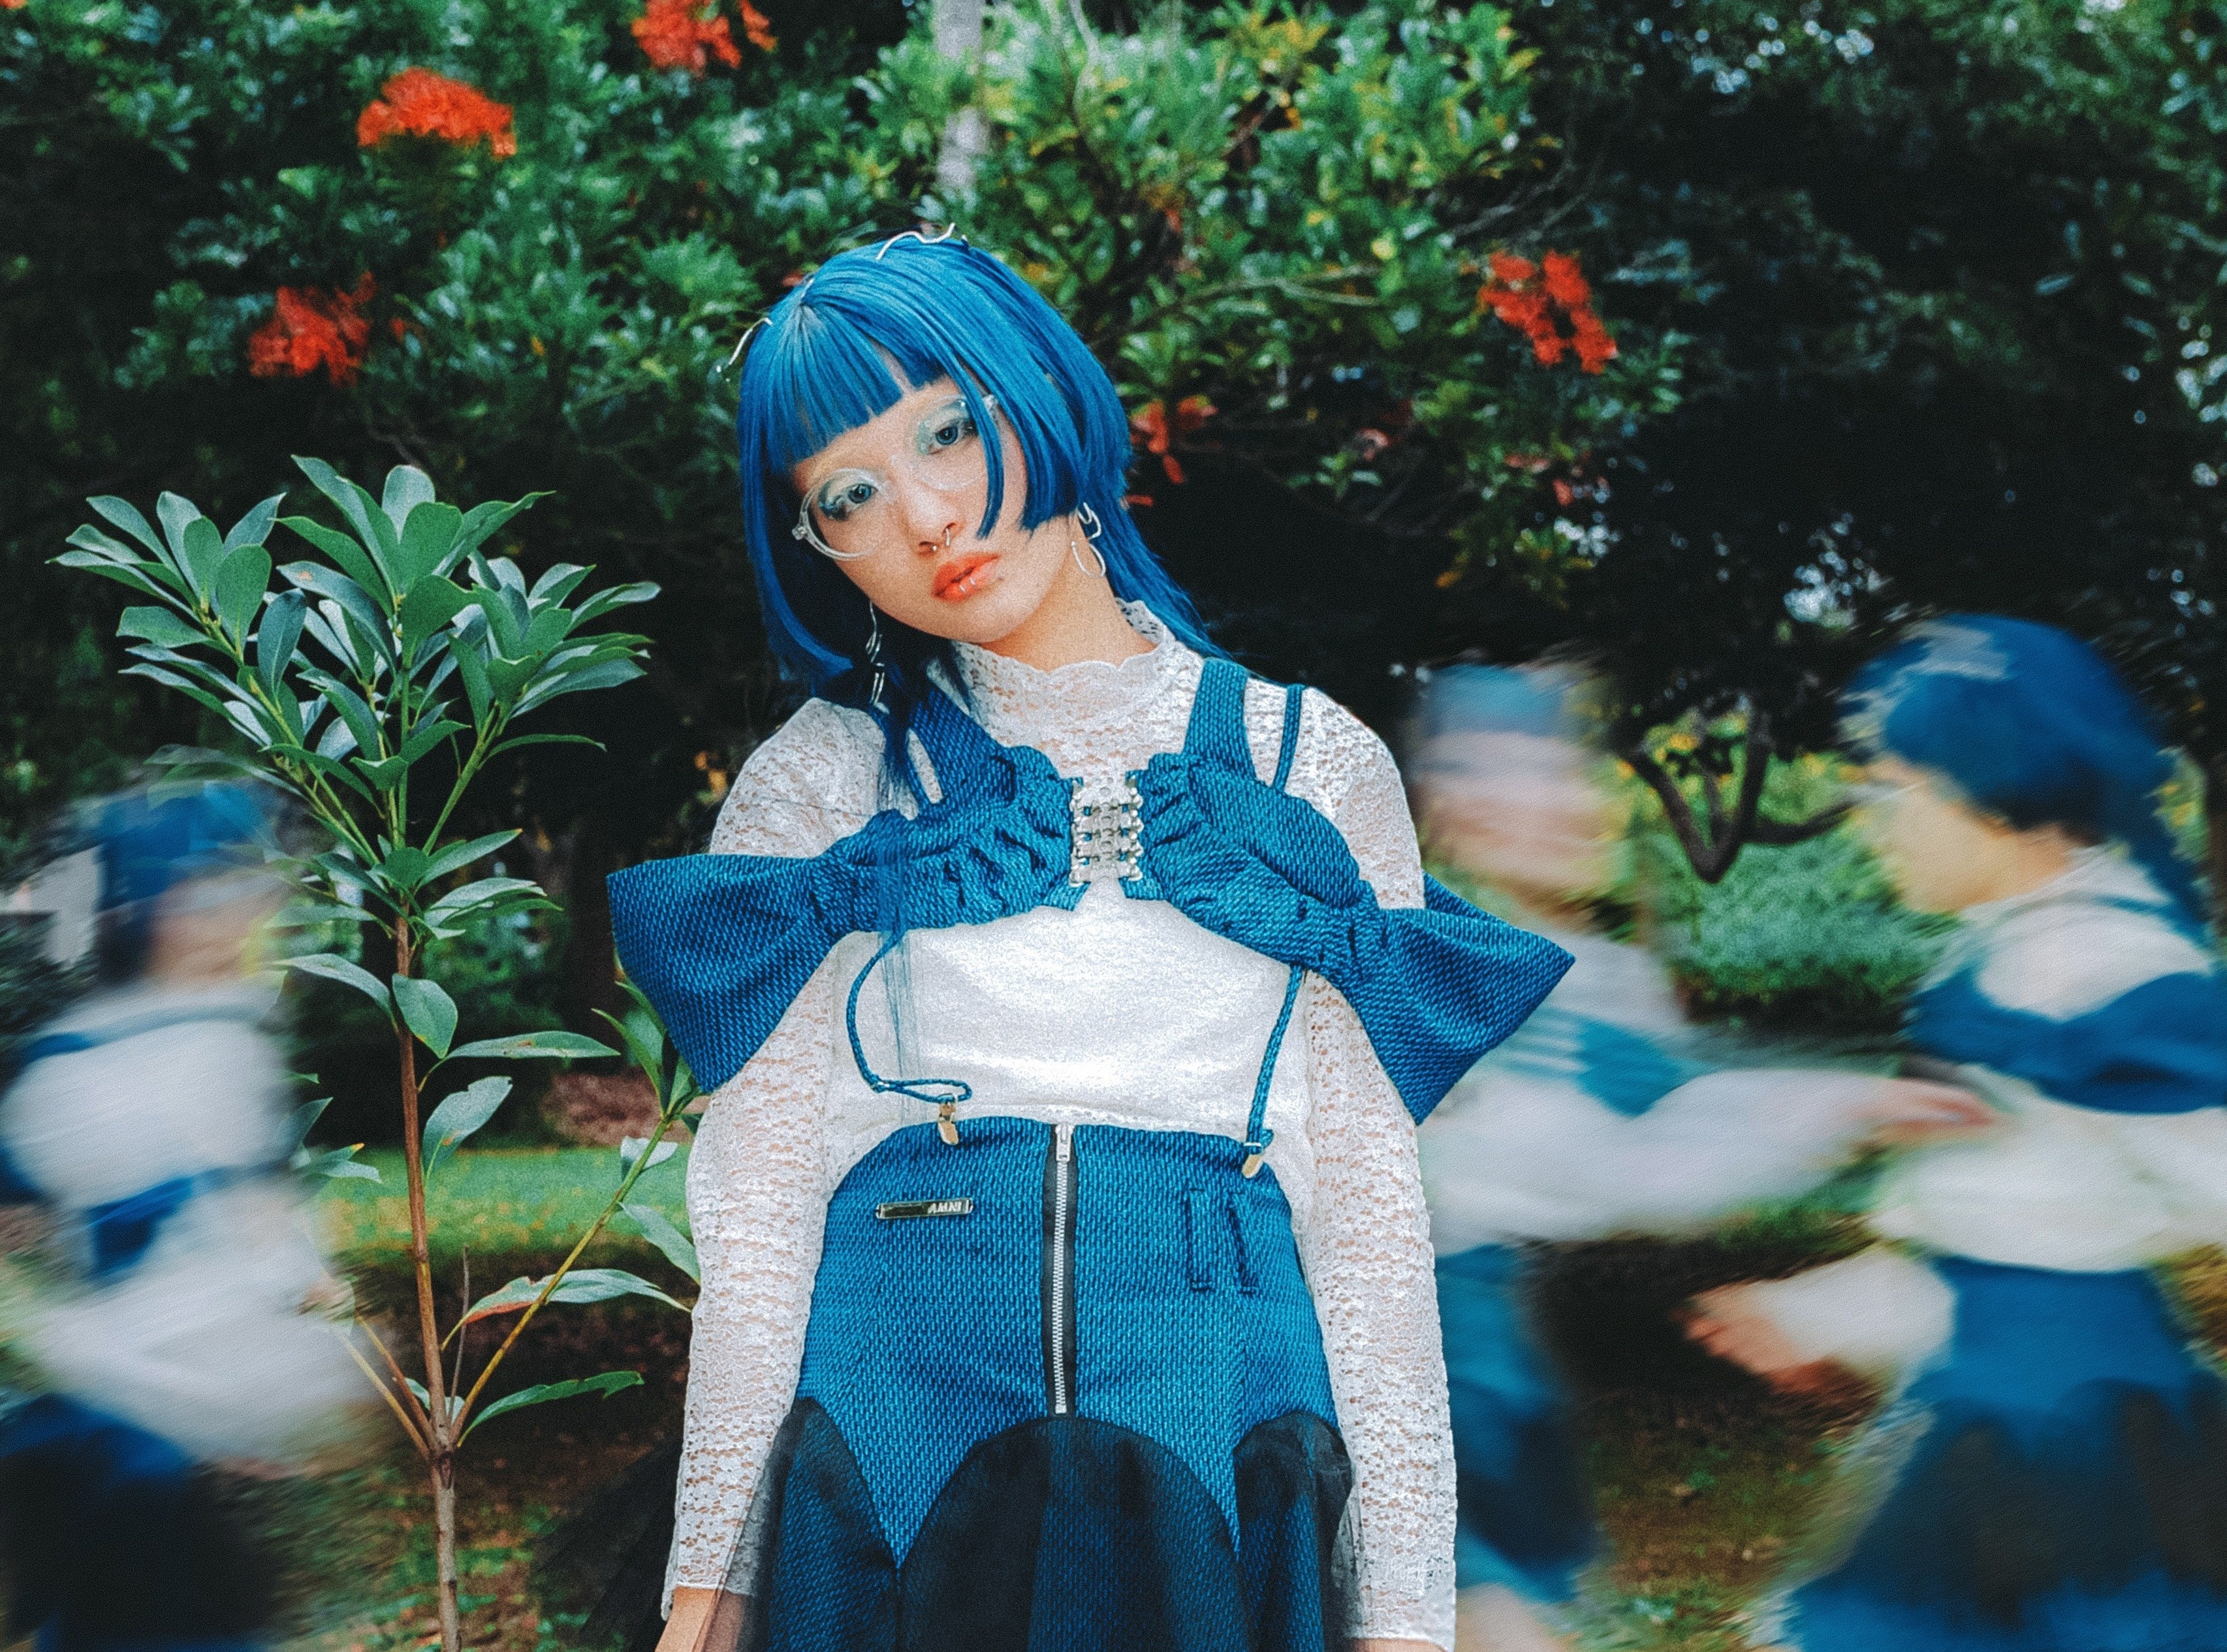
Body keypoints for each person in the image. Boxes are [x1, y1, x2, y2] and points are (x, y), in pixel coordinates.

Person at [607, 233, 1574, 1652]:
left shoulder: (1311, 763)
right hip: (888, 1463)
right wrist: (708, 1596)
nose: (927, 516)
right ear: (814, 544)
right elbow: (757, 1222)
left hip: (1224, 1455)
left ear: (1043, 395)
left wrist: (1406, 1617)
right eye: (848, 495)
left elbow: (1367, 1229)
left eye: (949, 429)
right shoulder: (816, 783)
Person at [1408, 666, 1985, 1652]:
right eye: (1498, 776)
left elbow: (1659, 1148)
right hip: (1428, 1350)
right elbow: (1614, 1163)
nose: (1559, 804)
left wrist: (1843, 1104)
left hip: (1497, 1349)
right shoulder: (1422, 960)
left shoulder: (1601, 982)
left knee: (1493, 1607)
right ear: (1453, 810)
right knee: (1484, 1607)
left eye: (1563, 773)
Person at [1685, 616, 2227, 1652]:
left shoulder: (2112, 967)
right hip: (1982, 1416)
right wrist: (1821, 1309)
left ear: (1991, 790)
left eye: (1895, 792)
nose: (1871, 825)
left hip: (2085, 1448)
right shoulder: (1986, 966)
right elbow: (1987, 1238)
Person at [0, 785, 364, 1652]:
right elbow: (148, 1266)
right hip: (122, 1454)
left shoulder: (205, 1040)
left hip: (149, 1452)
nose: (254, 913)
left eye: (255, 887)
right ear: (161, 916)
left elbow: (245, 1231)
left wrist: (296, 1292)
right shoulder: (120, 1064)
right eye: (220, 891)